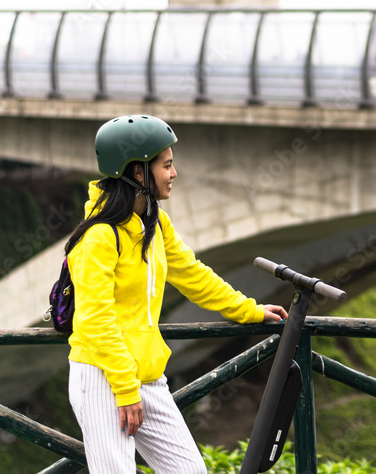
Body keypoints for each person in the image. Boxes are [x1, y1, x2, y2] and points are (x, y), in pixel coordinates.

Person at [64, 114, 288, 473]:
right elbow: (94, 320)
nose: (174, 173)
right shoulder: (99, 238)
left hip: (148, 375)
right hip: (103, 376)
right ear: (138, 173)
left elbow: (194, 275)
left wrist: (249, 310)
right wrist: (124, 389)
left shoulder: (154, 221)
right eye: (167, 165)